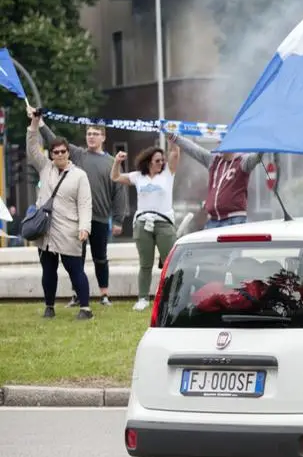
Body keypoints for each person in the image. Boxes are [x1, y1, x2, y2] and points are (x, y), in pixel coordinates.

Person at [30, 106, 128, 307]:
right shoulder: (78, 154)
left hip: (100, 217)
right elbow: (53, 140)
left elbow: (119, 192)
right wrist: (39, 122)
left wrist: (118, 219)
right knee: (77, 259)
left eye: (95, 134)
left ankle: (104, 294)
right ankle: (77, 296)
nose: (91, 137)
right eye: (89, 134)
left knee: (101, 257)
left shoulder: (112, 162)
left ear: (103, 137)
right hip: (76, 219)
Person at [25, 114, 94, 320]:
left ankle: (85, 308)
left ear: (68, 153)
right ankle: (49, 306)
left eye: (63, 151)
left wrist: (85, 227)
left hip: (69, 230)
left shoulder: (79, 175)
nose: (60, 155)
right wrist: (34, 124)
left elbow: (85, 204)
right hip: (45, 232)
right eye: (56, 152)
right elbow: (32, 148)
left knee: (76, 270)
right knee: (48, 271)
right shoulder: (45, 168)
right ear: (52, 154)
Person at [111, 139, 181, 311]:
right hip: (143, 223)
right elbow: (115, 177)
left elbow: (175, 154)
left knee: (170, 262)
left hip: (164, 223)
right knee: (145, 263)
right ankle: (143, 298)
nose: (161, 163)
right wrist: (117, 162)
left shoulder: (167, 173)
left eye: (162, 160)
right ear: (149, 161)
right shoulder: (138, 176)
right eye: (157, 160)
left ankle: (173, 297)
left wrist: (173, 140)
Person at [169, 134, 263, 228]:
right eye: (218, 143)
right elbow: (194, 149)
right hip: (214, 220)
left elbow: (256, 157)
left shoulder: (243, 161)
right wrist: (174, 137)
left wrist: (263, 143)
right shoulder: (214, 160)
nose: (219, 146)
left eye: (221, 143)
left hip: (234, 219)